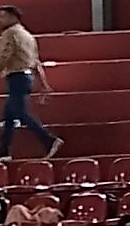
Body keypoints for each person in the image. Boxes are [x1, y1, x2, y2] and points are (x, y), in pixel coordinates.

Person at [0, 5, 63, 162]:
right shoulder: (28, 36)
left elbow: (4, 56)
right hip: (27, 77)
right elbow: (36, 62)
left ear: (13, 17)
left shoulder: (9, 33)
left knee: (19, 113)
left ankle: (49, 140)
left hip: (17, 76)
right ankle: (4, 152)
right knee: (9, 115)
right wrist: (43, 84)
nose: (0, 20)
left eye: (3, 17)